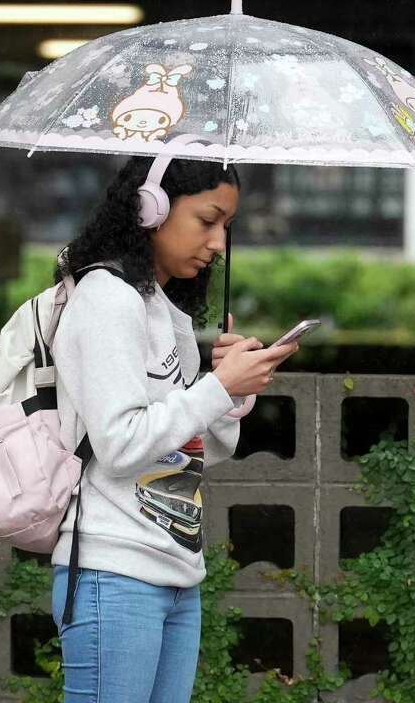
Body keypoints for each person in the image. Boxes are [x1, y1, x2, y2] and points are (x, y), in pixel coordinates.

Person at [48, 154, 297, 703]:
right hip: (112, 572)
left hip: (177, 572)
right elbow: (120, 444)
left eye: (227, 226)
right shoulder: (106, 298)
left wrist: (232, 391)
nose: (218, 243)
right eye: (207, 220)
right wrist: (214, 387)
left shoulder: (168, 311)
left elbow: (191, 449)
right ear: (150, 208)